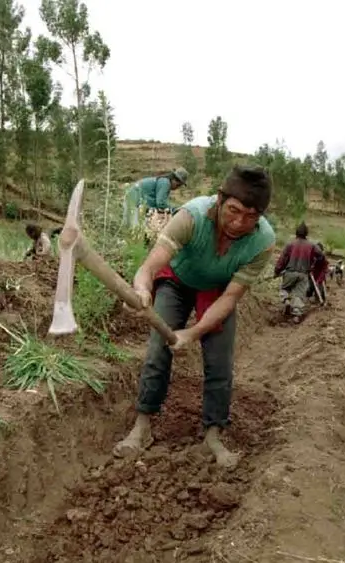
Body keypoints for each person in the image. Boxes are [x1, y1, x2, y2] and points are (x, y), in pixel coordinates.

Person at [113, 164, 276, 468]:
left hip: (217, 291)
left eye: (252, 217)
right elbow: (149, 267)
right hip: (177, 281)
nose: (239, 223)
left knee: (220, 362)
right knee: (157, 352)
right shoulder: (190, 217)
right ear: (219, 198)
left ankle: (213, 434)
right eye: (233, 210)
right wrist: (143, 291)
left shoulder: (262, 243)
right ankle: (142, 425)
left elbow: (230, 297)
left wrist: (193, 332)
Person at [274, 222, 324, 322]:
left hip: (290, 272)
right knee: (299, 294)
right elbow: (321, 256)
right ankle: (296, 315)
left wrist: (277, 271)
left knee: (284, 288)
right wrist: (314, 263)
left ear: (296, 232)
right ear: (306, 233)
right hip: (303, 274)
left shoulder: (290, 244)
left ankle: (286, 300)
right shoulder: (312, 245)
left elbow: (282, 259)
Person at [122, 168, 189, 233]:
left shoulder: (163, 181)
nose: (177, 188)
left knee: (131, 229)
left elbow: (156, 204)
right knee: (135, 231)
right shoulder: (165, 183)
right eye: (178, 185)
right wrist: (175, 209)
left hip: (133, 199)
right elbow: (161, 203)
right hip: (134, 200)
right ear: (174, 180)